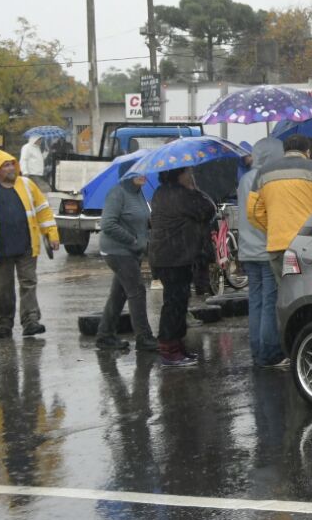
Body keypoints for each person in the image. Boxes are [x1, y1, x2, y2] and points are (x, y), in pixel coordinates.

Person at [147, 167, 217, 367]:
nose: (191, 175)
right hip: (174, 257)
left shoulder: (162, 192)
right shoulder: (179, 195)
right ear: (178, 174)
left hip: (170, 256)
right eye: (188, 172)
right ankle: (169, 350)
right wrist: (194, 189)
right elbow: (208, 209)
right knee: (174, 304)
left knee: (177, 302)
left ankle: (176, 346)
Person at [248, 134, 312, 289]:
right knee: (311, 291)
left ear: (284, 150)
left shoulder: (263, 172)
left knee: (286, 293)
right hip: (309, 245)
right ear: (307, 151)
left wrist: (273, 228)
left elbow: (253, 212)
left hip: (277, 244)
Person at [0, 149, 58, 339]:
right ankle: (4, 325)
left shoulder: (27, 185)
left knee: (29, 283)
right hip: (0, 250)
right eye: (6, 165)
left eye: (12, 163)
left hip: (27, 247)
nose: (11, 167)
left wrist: (52, 235)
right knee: (3, 288)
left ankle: (31, 322)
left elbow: (43, 211)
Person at [234, 139, 285, 367]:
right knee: (269, 301)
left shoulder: (244, 178)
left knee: (254, 300)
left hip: (247, 248)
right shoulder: (269, 179)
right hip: (267, 248)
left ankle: (256, 349)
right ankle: (270, 353)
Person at [96, 166, 155, 352]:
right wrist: (133, 240)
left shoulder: (139, 194)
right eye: (136, 172)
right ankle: (144, 338)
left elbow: (142, 219)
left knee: (119, 294)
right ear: (126, 175)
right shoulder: (117, 193)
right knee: (137, 291)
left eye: (143, 171)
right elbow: (107, 224)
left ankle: (105, 336)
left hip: (133, 252)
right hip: (117, 251)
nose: (142, 175)